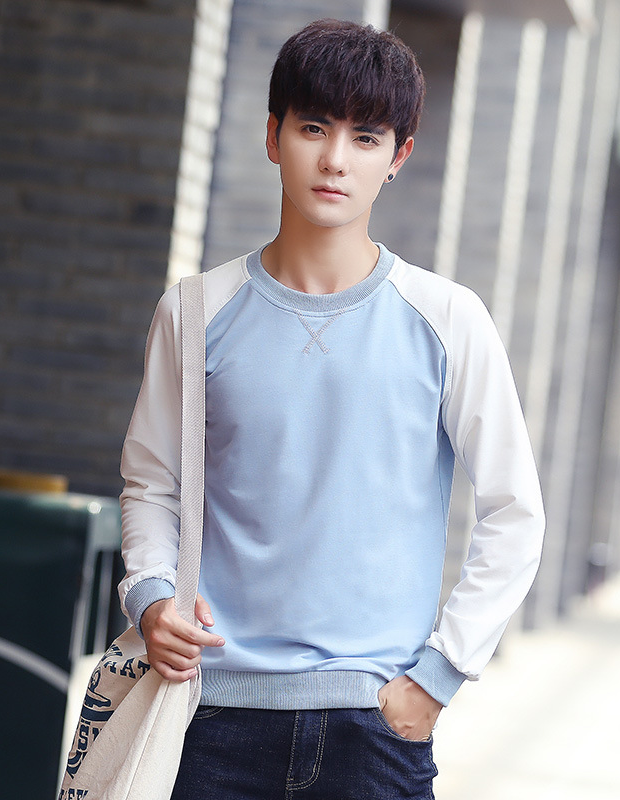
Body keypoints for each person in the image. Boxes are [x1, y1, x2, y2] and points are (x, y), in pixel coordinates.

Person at [118, 18, 545, 800]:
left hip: (374, 730)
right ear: (273, 135)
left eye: (366, 137)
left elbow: (515, 513)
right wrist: (150, 597)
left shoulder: (448, 319)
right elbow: (153, 485)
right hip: (212, 720)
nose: (335, 159)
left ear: (399, 158)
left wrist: (440, 674)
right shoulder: (195, 311)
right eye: (313, 127)